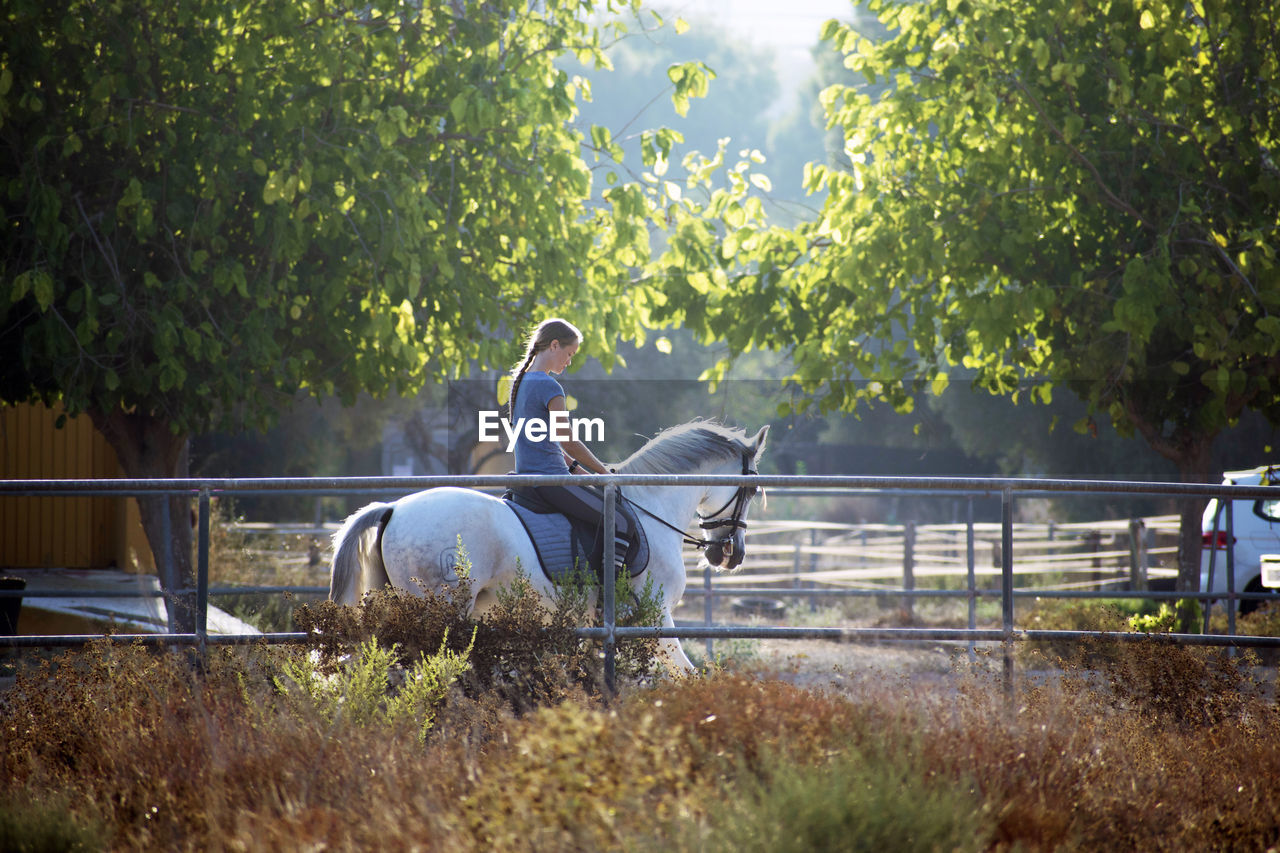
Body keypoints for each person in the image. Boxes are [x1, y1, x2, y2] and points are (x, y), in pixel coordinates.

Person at [507, 318, 632, 563]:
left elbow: (544, 444)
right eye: (569, 353)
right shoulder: (548, 385)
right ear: (554, 345)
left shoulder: (521, 382)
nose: (569, 361)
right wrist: (605, 474)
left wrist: (580, 472)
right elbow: (568, 441)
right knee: (621, 521)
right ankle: (611, 596)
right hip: (551, 482)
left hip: (529, 478)